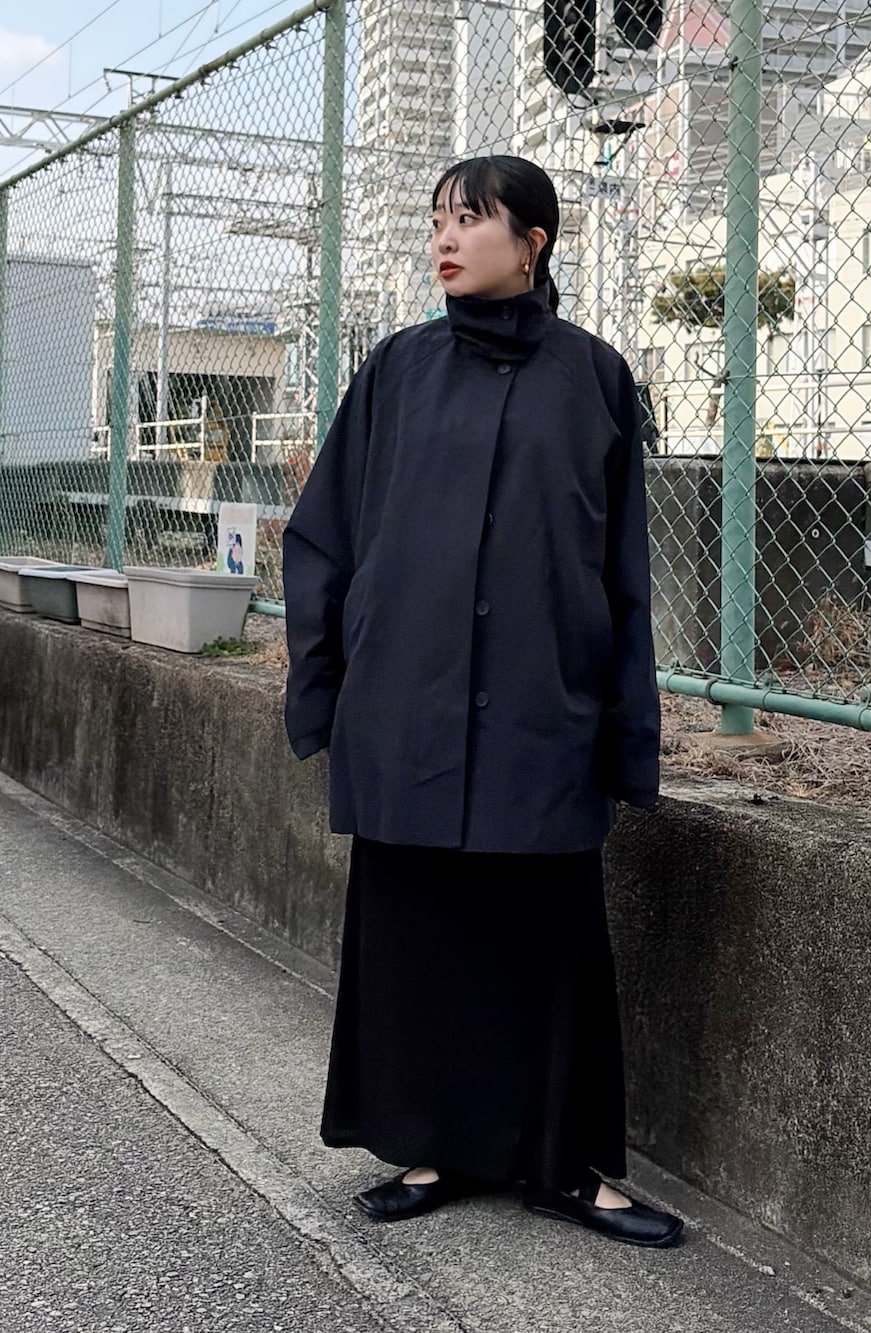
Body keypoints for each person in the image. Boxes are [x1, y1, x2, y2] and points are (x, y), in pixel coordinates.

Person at [282, 155, 681, 1249]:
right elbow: (324, 535)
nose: (445, 239)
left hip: (541, 709)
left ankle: (564, 1167)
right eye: (438, 221)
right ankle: (428, 1145)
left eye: (470, 219)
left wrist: (623, 735)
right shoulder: (397, 370)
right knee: (415, 932)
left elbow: (624, 574)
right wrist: (327, 688)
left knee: (548, 940)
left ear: (534, 241)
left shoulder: (594, 377)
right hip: (404, 705)